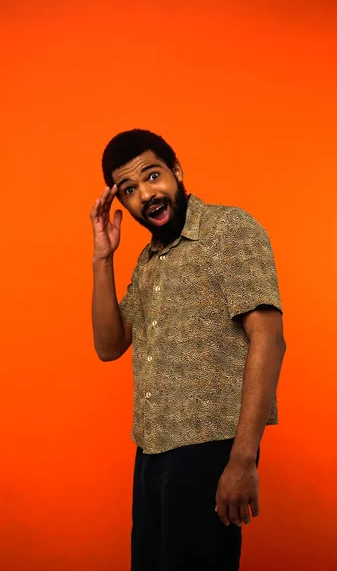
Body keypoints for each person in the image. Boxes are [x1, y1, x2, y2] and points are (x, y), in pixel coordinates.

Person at [90, 129, 286, 571]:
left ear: (177, 172)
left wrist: (242, 460)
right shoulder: (148, 261)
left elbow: (269, 339)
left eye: (153, 175)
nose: (146, 194)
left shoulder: (227, 230)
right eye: (130, 189)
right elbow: (109, 344)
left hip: (210, 452)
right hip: (152, 453)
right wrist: (103, 257)